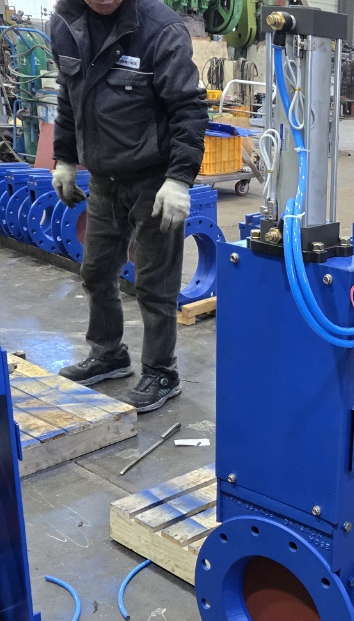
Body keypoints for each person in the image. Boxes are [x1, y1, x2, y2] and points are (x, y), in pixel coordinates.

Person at [49, 0, 208, 411]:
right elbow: (68, 98)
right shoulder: (65, 22)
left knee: (155, 284)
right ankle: (108, 355)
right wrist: (64, 158)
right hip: (105, 177)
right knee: (96, 272)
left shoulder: (160, 28)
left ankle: (161, 371)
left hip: (154, 179)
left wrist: (179, 179)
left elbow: (189, 107)